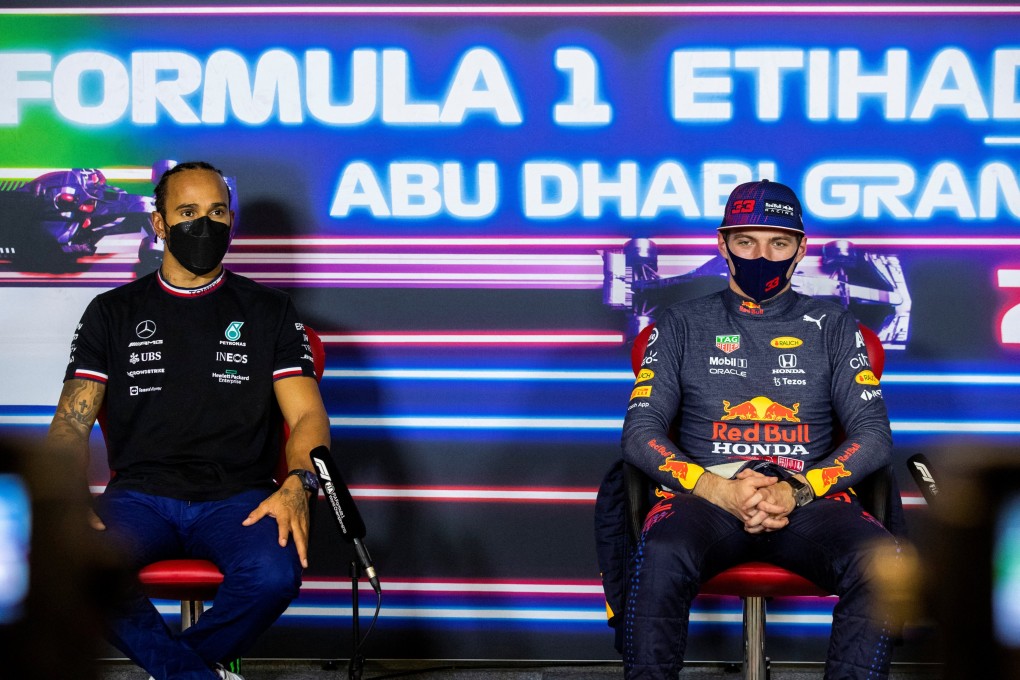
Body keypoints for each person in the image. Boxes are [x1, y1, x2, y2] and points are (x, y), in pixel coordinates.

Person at [46, 161, 331, 680]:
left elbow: (307, 414)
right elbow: (70, 422)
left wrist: (298, 483)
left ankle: (173, 670)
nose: (204, 225)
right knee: (72, 567)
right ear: (159, 224)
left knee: (273, 574)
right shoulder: (111, 311)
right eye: (187, 212)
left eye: (217, 211)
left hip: (240, 497)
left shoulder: (270, 310)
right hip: (138, 497)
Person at [619, 180, 897, 679]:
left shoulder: (835, 326)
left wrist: (797, 490)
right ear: (723, 244)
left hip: (806, 498)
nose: (762, 255)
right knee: (659, 553)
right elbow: (641, 433)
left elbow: (873, 435)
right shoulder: (679, 324)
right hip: (704, 498)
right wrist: (717, 489)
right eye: (747, 241)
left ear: (801, 249)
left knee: (880, 560)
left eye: (779, 243)